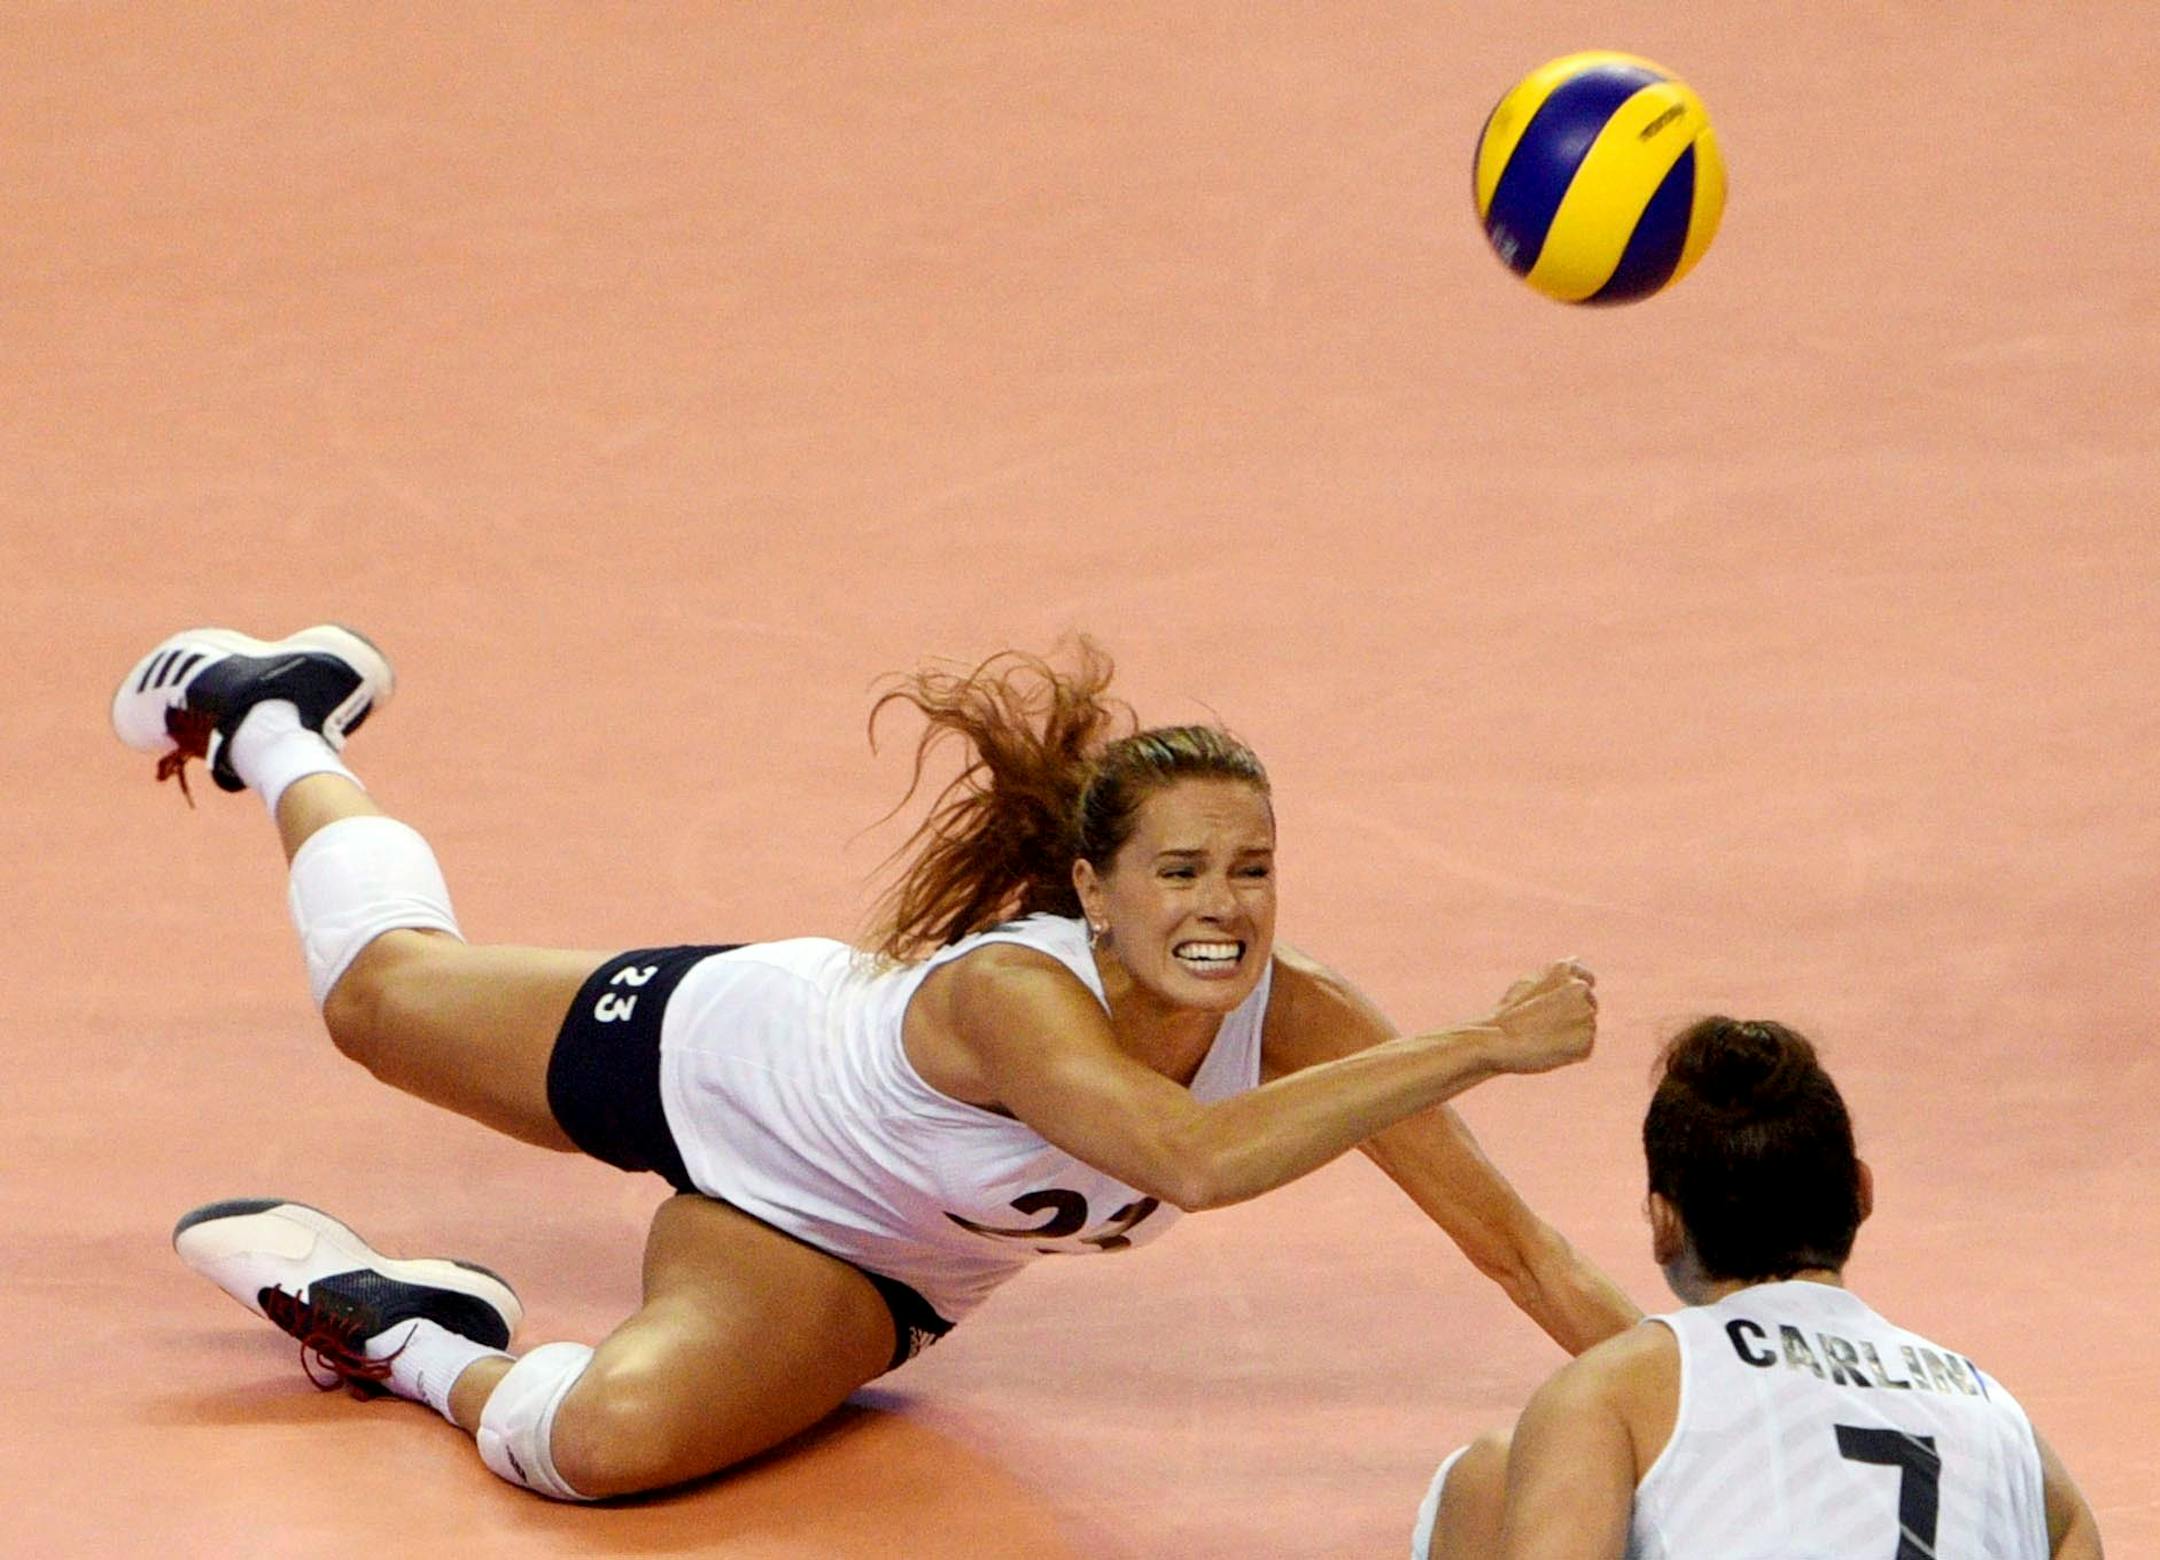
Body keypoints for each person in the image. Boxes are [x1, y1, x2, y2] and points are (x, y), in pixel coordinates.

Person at [113, 624, 1640, 1504]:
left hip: (860, 1266)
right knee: (378, 1000)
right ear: (1093, 895)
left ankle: (411, 1333)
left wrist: (1700, 1407)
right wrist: (1484, 1047)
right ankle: (282, 724)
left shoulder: (1307, 1024)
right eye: (1179, 874)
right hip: (726, 1064)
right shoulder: (1010, 1002)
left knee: (599, 1452)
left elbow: (1520, 1249)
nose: (1222, 908)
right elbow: (1190, 1159)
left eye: (1251, 870)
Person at [1410, 1016, 2104, 1559]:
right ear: (1860, 1193)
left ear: (1664, 1223)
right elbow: (2075, 1534)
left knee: (1490, 1479)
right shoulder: (2000, 1420)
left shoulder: (1611, 1394)